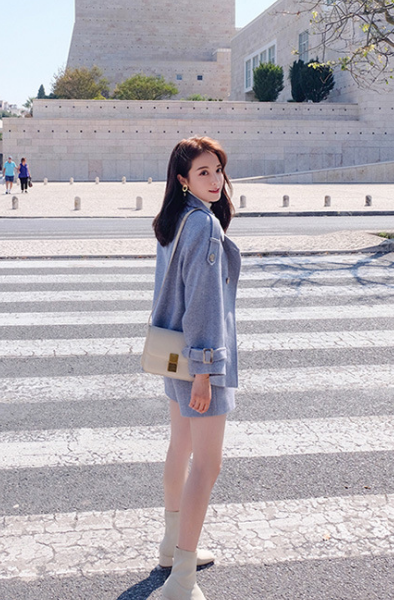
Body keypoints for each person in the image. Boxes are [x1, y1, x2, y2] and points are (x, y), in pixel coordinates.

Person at [151, 137, 241, 600]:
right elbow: (203, 304)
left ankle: (172, 547)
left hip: (173, 351)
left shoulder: (175, 220)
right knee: (206, 464)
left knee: (180, 447)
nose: (215, 179)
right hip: (201, 360)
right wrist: (205, 372)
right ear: (183, 179)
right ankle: (182, 580)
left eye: (218, 170)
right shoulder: (204, 226)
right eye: (203, 172)